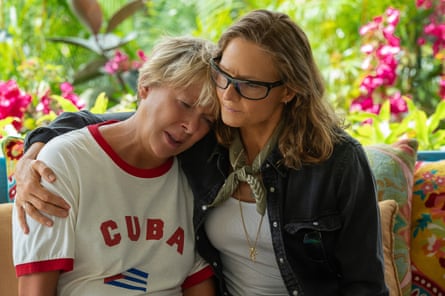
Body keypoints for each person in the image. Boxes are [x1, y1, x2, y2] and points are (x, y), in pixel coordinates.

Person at [14, 9, 389, 296]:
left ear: (288, 90)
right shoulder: (210, 140)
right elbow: (121, 123)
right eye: (224, 75)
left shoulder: (336, 161)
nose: (227, 94)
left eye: (248, 86)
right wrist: (33, 154)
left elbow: (365, 284)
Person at [12, 36, 219, 296]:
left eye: (208, 119)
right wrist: (33, 152)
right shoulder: (62, 163)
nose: (191, 126)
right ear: (145, 85)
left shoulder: (192, 172)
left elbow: (195, 277)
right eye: (185, 104)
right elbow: (35, 290)